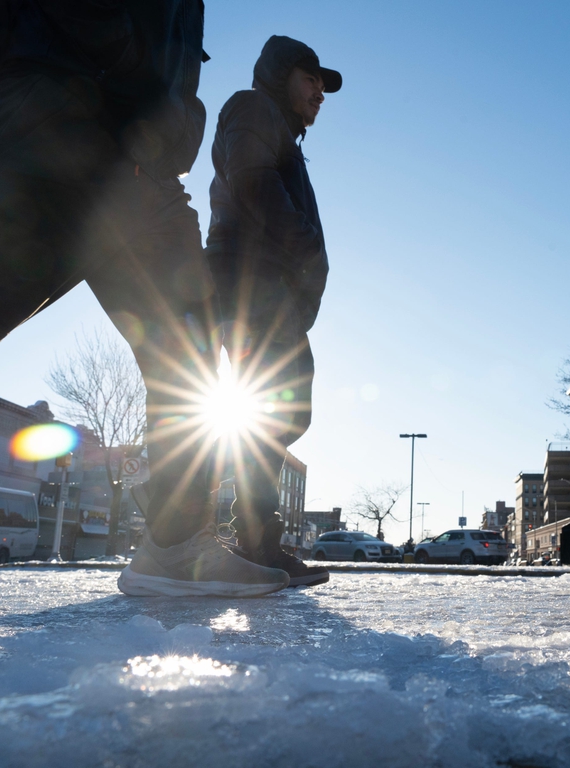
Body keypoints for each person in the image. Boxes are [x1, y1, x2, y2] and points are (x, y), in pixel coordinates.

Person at [0, 2, 289, 597]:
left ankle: (176, 548)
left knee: (189, 342)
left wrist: (175, 120)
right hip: (54, 131)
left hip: (137, 166)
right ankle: (176, 547)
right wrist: (146, 85)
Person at [204, 36, 341, 586]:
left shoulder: (282, 132)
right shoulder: (252, 107)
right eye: (310, 80)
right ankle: (250, 540)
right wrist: (306, 249)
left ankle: (254, 538)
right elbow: (253, 184)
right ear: (280, 74)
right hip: (249, 286)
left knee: (280, 412)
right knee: (270, 412)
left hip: (268, 292)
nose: (319, 94)